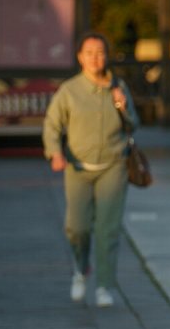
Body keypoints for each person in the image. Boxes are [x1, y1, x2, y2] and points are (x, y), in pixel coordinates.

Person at [42, 32, 139, 308]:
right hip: (78, 168)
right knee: (77, 227)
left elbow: (135, 124)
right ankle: (82, 268)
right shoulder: (69, 90)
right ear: (79, 57)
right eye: (89, 52)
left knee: (108, 229)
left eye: (100, 52)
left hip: (114, 166)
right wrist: (55, 153)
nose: (95, 57)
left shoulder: (118, 86)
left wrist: (122, 104)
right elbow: (52, 125)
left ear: (106, 56)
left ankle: (105, 286)